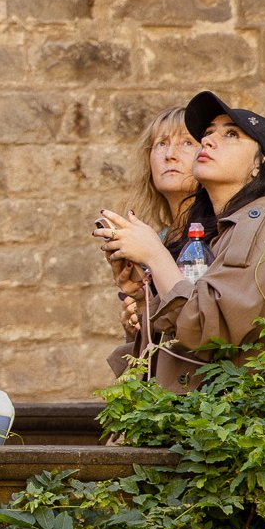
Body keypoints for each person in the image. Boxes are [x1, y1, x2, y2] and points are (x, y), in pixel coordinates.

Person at [95, 90, 265, 392]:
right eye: (208, 133)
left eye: (232, 135)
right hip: (203, 424)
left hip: (236, 432)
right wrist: (147, 299)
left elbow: (206, 333)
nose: (207, 141)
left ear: (259, 164)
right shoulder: (230, 231)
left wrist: (156, 256)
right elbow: (182, 347)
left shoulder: (259, 226)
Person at [104, 108, 199, 380]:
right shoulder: (157, 240)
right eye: (161, 143)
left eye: (186, 143)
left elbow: (204, 325)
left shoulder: (220, 234)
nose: (170, 154)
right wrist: (138, 322)